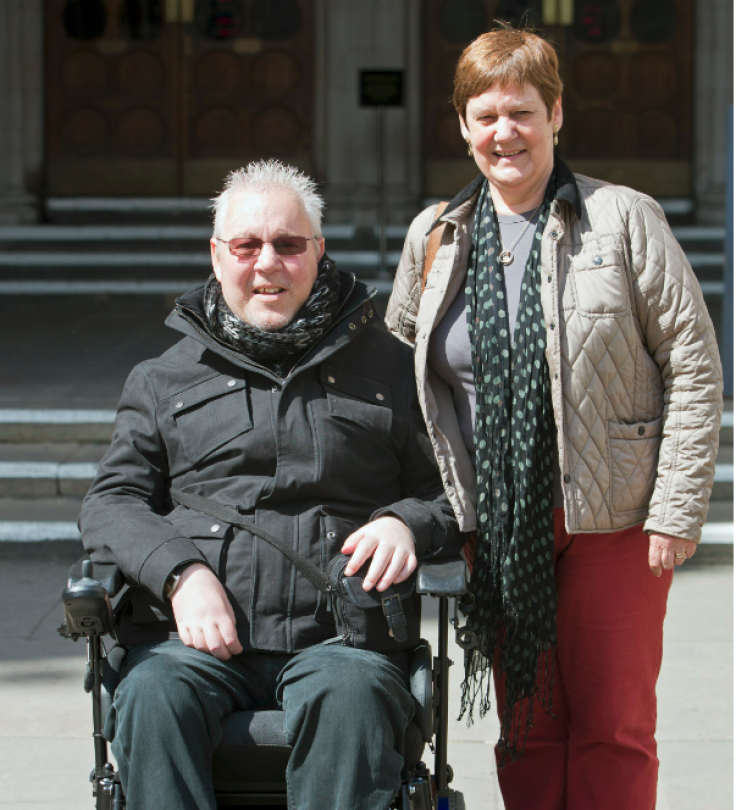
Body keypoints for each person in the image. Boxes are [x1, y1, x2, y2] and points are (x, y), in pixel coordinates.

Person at [386, 26, 722, 810]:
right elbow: (400, 373)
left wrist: (675, 509)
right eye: (486, 115)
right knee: (528, 724)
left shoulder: (625, 219)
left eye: (523, 112)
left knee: (614, 724)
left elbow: (694, 363)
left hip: (615, 518)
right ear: (463, 126)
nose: (505, 132)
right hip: (498, 524)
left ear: (557, 114)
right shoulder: (435, 236)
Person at [80, 159, 461, 810]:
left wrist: (408, 523)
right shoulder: (162, 378)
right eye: (247, 246)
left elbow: (449, 492)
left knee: (353, 699)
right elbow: (112, 502)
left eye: (288, 244)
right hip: (189, 644)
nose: (267, 263)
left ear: (318, 251)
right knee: (148, 696)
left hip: (342, 640)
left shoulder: (390, 370)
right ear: (217, 255)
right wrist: (179, 575)